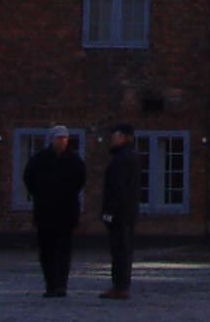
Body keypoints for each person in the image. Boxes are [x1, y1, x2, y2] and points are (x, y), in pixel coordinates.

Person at [19, 126, 84, 298]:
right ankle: (51, 284)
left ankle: (61, 284)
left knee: (63, 250)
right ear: (52, 140)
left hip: (66, 211)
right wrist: (41, 194)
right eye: (59, 138)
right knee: (47, 250)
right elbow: (29, 178)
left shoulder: (73, 160)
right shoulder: (40, 160)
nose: (62, 141)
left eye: (65, 138)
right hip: (46, 211)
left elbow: (80, 181)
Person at [99, 123, 140, 300]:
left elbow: (117, 188)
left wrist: (110, 212)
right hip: (127, 211)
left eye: (115, 135)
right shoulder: (130, 156)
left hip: (120, 212)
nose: (112, 139)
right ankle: (121, 285)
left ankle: (120, 286)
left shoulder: (122, 159)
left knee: (120, 249)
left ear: (123, 137)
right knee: (123, 248)